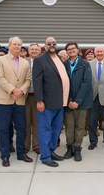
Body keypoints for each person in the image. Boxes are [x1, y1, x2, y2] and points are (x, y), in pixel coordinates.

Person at [0, 37, 32, 167]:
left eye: (19, 44)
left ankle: (21, 153)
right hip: (5, 100)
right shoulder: (0, 60)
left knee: (21, 129)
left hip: (20, 100)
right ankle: (5, 155)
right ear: (9, 45)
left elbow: (28, 80)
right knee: (4, 129)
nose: (17, 46)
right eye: (14, 44)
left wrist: (21, 91)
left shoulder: (25, 62)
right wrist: (13, 90)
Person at [33, 37, 69, 167]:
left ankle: (51, 151)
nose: (52, 45)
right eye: (49, 43)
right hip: (46, 103)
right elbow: (37, 82)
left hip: (60, 102)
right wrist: (39, 100)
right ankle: (45, 156)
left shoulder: (58, 58)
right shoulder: (40, 60)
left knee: (56, 129)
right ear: (45, 45)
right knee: (45, 130)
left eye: (54, 43)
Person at [63, 42, 92, 161]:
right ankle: (69, 148)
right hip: (68, 101)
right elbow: (63, 83)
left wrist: (77, 100)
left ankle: (77, 149)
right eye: (69, 49)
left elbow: (86, 83)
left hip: (82, 102)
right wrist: (69, 100)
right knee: (69, 126)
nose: (71, 51)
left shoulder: (85, 64)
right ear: (67, 52)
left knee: (80, 126)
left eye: (73, 48)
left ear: (77, 50)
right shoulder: (64, 64)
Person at [25, 43, 41, 154]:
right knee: (26, 121)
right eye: (32, 49)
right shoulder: (23, 62)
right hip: (25, 96)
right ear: (28, 51)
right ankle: (26, 145)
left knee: (37, 122)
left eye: (36, 49)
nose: (34, 51)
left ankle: (36, 145)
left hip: (38, 96)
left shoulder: (43, 61)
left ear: (39, 51)